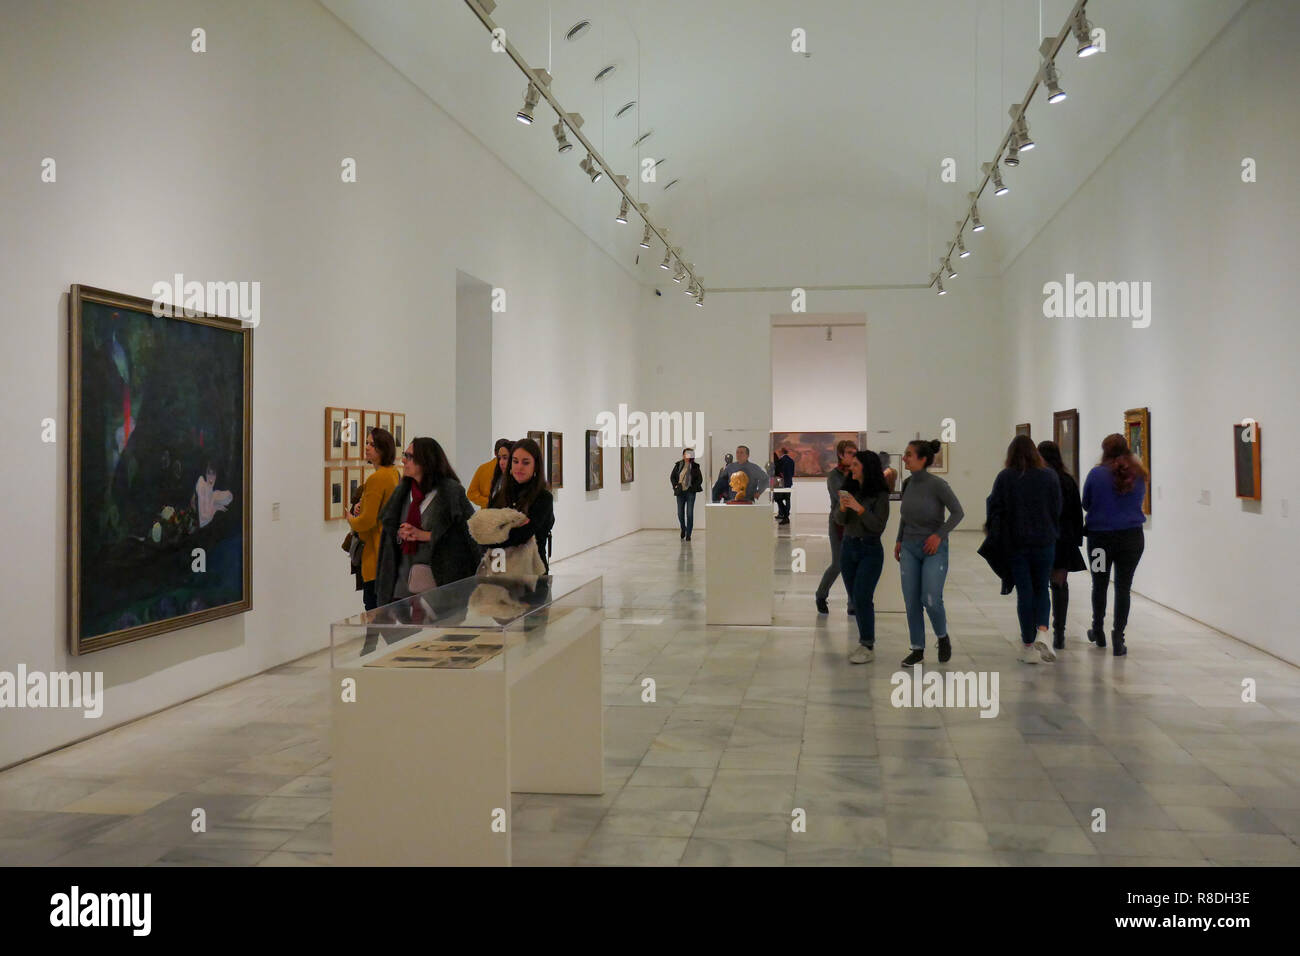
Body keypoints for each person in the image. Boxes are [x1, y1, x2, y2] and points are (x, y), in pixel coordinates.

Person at [375, 437, 480, 603]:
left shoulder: (451, 494)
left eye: (409, 456)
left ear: (426, 461)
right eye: (404, 454)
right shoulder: (402, 494)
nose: (403, 460)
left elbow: (470, 537)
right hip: (400, 588)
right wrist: (400, 534)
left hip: (440, 588)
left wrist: (426, 535)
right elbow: (389, 541)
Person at [987, 436, 1062, 665]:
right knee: (1042, 588)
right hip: (1045, 541)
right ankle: (1042, 630)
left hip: (1017, 543)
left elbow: (994, 507)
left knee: (1025, 592)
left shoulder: (1005, 477)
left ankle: (1028, 645)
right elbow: (1056, 507)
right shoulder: (1049, 476)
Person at [895, 439, 964, 667]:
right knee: (911, 600)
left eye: (909, 455)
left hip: (933, 548)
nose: (904, 458)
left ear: (923, 459)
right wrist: (898, 539)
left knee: (931, 598)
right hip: (909, 547)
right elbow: (905, 516)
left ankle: (942, 637)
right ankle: (917, 649)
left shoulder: (938, 485)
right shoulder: (907, 484)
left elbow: (957, 513)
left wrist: (938, 535)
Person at [1081, 434, 1148, 657]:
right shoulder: (1138, 474)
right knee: (1123, 587)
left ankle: (1097, 629)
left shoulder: (1096, 474)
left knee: (1099, 583)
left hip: (1101, 539)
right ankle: (1118, 637)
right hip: (1131, 540)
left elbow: (1086, 503)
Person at [835, 450, 890, 663]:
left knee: (862, 596)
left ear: (867, 467)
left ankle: (867, 644)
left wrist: (859, 509)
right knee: (855, 599)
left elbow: (877, 526)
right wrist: (842, 507)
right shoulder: (849, 488)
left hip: (870, 549)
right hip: (848, 548)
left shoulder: (880, 495)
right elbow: (839, 520)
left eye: (856, 465)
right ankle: (863, 643)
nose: (851, 468)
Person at [1038, 440, 1087, 648]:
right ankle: (1059, 633)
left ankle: (1042, 629)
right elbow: (1077, 513)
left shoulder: (1041, 480)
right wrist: (1076, 540)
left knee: (1041, 584)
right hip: (1065, 540)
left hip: (1044, 538)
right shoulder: (1067, 480)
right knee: (1059, 585)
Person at [347, 427, 401, 610]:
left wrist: (351, 519)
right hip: (389, 552)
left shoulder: (377, 478)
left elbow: (366, 521)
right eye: (366, 443)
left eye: (372, 444)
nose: (367, 447)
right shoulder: (394, 473)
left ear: (383, 449)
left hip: (376, 553)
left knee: (373, 610)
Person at [490, 437, 555, 573]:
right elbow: (484, 530)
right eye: (515, 461)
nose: (519, 467)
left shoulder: (543, 498)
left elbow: (521, 536)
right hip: (500, 571)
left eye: (526, 463)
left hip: (532, 575)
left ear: (535, 466)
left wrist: (499, 530)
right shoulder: (500, 495)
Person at [815, 439, 858, 615]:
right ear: (841, 455)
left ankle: (852, 604)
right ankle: (821, 594)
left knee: (854, 564)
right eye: (850, 453)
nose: (854, 456)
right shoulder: (835, 476)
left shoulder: (857, 472)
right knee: (838, 564)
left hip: (856, 523)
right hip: (838, 523)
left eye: (855, 453)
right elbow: (843, 497)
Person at [467, 438, 512, 508]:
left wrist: (486, 502)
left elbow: (471, 494)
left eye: (505, 457)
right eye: (500, 457)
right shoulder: (483, 468)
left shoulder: (482, 468)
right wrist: (491, 502)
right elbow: (471, 493)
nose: (501, 462)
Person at [669, 448, 703, 541]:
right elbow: (672, 477)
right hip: (680, 492)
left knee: (689, 513)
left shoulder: (695, 466)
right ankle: (683, 528)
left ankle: (689, 533)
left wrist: (693, 487)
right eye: (685, 454)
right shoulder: (678, 465)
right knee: (680, 513)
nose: (687, 456)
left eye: (689, 454)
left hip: (690, 492)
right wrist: (675, 486)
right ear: (683, 455)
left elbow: (700, 479)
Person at [773, 446, 795, 524]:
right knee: (787, 499)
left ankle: (784, 514)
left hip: (781, 482)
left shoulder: (781, 461)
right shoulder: (791, 460)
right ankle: (785, 514)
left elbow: (779, 472)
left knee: (779, 499)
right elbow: (792, 473)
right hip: (788, 482)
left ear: (782, 452)